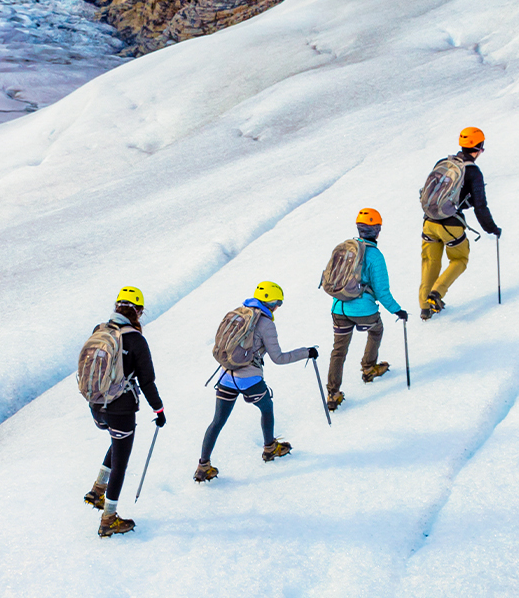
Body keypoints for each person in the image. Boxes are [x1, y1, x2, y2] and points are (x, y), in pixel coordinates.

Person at [194, 281, 317, 482]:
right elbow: (278, 358)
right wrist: (306, 352)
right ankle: (270, 448)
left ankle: (203, 466)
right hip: (249, 379)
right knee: (266, 408)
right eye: (278, 303)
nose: (278, 308)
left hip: (226, 376)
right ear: (272, 303)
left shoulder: (239, 313)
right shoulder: (266, 324)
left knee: (217, 421)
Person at [81, 286, 165, 538]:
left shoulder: (100, 330)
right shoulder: (136, 340)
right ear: (138, 311)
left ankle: (98, 490)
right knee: (121, 462)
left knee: (118, 442)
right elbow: (147, 381)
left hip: (96, 406)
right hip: (120, 408)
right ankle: (108, 519)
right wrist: (159, 409)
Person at [325, 208, 408, 411]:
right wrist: (397, 310)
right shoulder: (375, 256)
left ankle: (333, 393)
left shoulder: (346, 250)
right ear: (377, 230)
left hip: (339, 308)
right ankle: (369, 368)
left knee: (339, 351)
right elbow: (382, 292)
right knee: (376, 330)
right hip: (363, 311)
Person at [420, 126, 500, 319]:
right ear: (479, 148)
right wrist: (492, 228)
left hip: (429, 222)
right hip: (450, 225)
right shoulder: (473, 172)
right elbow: (481, 207)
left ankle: (425, 308)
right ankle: (436, 293)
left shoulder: (443, 163)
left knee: (430, 262)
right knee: (459, 260)